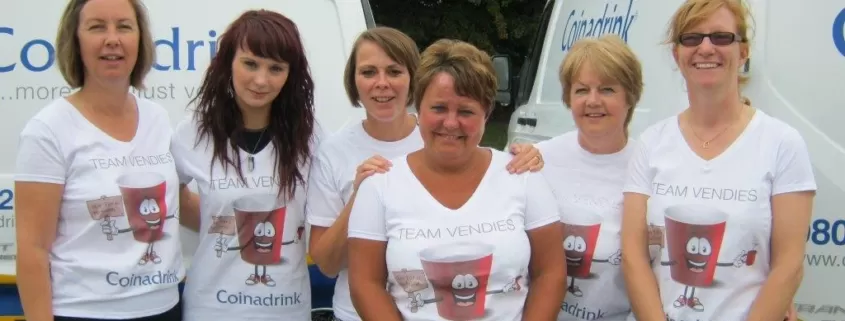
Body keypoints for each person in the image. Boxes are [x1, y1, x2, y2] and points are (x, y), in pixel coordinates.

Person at [306, 27, 545, 321]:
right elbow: (328, 265)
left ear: (413, 79)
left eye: (394, 71)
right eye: (368, 72)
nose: (382, 83)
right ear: (353, 80)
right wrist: (360, 196)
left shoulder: (444, 136)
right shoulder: (335, 153)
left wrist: (529, 157)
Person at [620, 1, 816, 321]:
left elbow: (789, 266)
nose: (706, 48)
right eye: (692, 38)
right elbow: (633, 256)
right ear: (677, 55)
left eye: (721, 37)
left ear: (744, 52)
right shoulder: (651, 143)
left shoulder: (782, 143)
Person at [14, 0, 185, 320]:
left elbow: (179, 204)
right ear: (75, 40)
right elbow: (32, 251)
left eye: (124, 27)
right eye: (97, 27)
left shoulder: (158, 118)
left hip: (164, 307)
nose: (112, 39)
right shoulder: (47, 130)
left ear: (140, 40)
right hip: (83, 312)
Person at [171, 10, 322, 321]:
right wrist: (224, 223)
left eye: (276, 68)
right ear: (228, 62)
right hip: (212, 309)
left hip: (287, 309)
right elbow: (168, 194)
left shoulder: (311, 138)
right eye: (250, 63)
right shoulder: (193, 133)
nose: (261, 80)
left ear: (291, 74)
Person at [537, 35, 642, 320]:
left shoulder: (648, 166)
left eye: (607, 89)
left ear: (630, 96)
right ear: (568, 98)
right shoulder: (538, 160)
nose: (593, 101)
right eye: (582, 90)